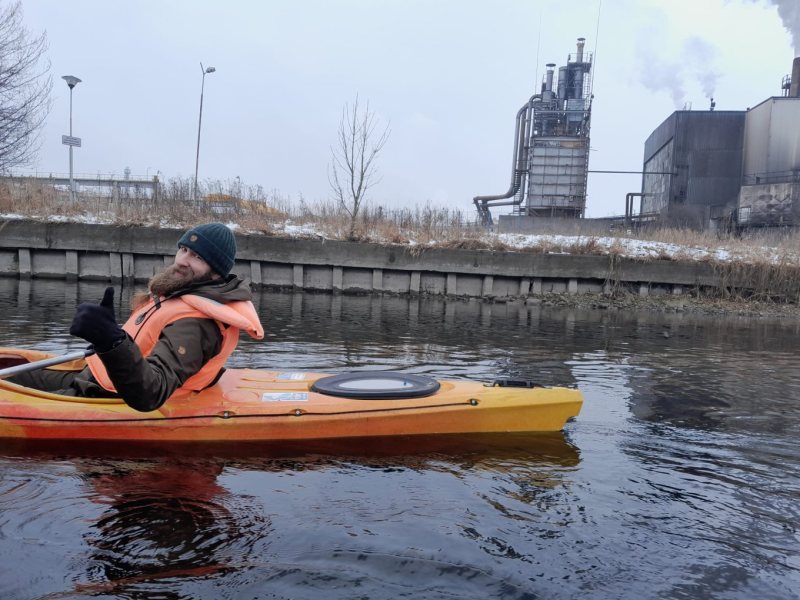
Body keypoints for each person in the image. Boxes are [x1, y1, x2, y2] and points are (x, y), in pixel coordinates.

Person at [9, 223, 264, 411]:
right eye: (184, 249)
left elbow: (151, 393)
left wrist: (111, 342)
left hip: (111, 396)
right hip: (99, 376)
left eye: (197, 257)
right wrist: (106, 342)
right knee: (12, 374)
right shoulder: (183, 293)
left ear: (217, 272)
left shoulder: (198, 323)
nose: (182, 261)